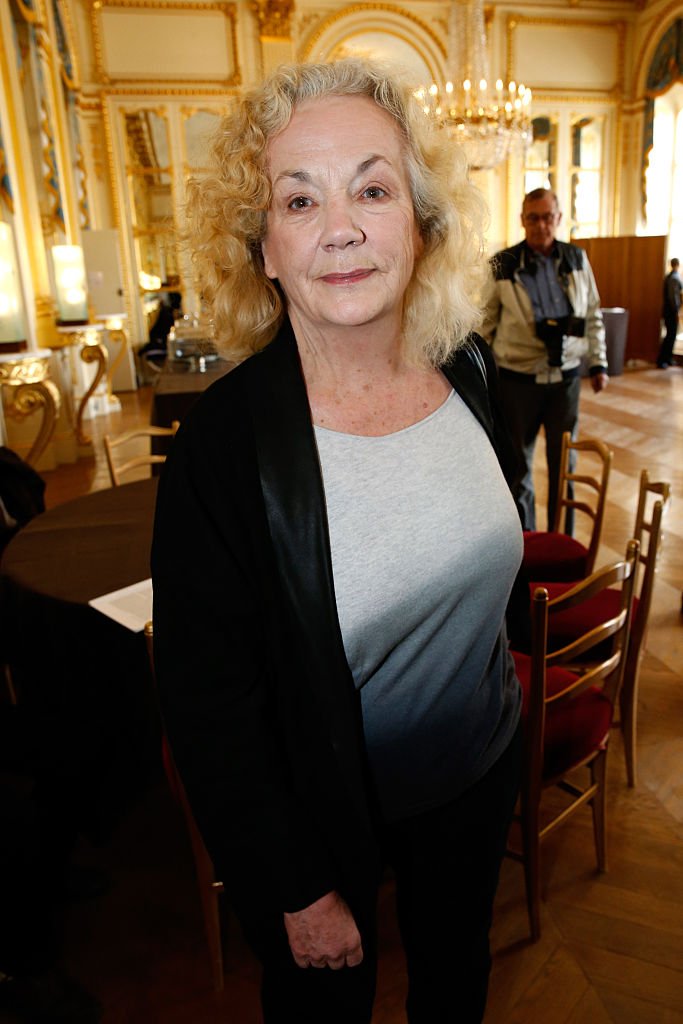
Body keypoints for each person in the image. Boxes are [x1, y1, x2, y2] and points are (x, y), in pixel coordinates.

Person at [152, 59, 526, 1024]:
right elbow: (209, 710)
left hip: (475, 777)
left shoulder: (469, 369)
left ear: (421, 222)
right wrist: (292, 887)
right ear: (264, 250)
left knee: (456, 984)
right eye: (299, 199)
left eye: (372, 187)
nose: (343, 228)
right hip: (318, 823)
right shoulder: (224, 451)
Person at [481, 188, 608, 532]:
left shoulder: (577, 259)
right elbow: (485, 325)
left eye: (547, 216)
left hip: (565, 380)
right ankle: (528, 543)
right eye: (533, 217)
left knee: (564, 465)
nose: (541, 225)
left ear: (559, 218)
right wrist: (483, 382)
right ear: (523, 220)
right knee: (518, 467)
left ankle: (560, 540)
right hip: (516, 380)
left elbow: (593, 313)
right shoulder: (503, 264)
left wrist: (598, 363)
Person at [657, 256, 682, 368]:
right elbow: (673, 297)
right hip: (671, 312)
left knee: (671, 335)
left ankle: (668, 358)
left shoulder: (669, 277)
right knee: (670, 335)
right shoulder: (674, 278)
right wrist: (677, 311)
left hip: (668, 311)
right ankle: (663, 359)